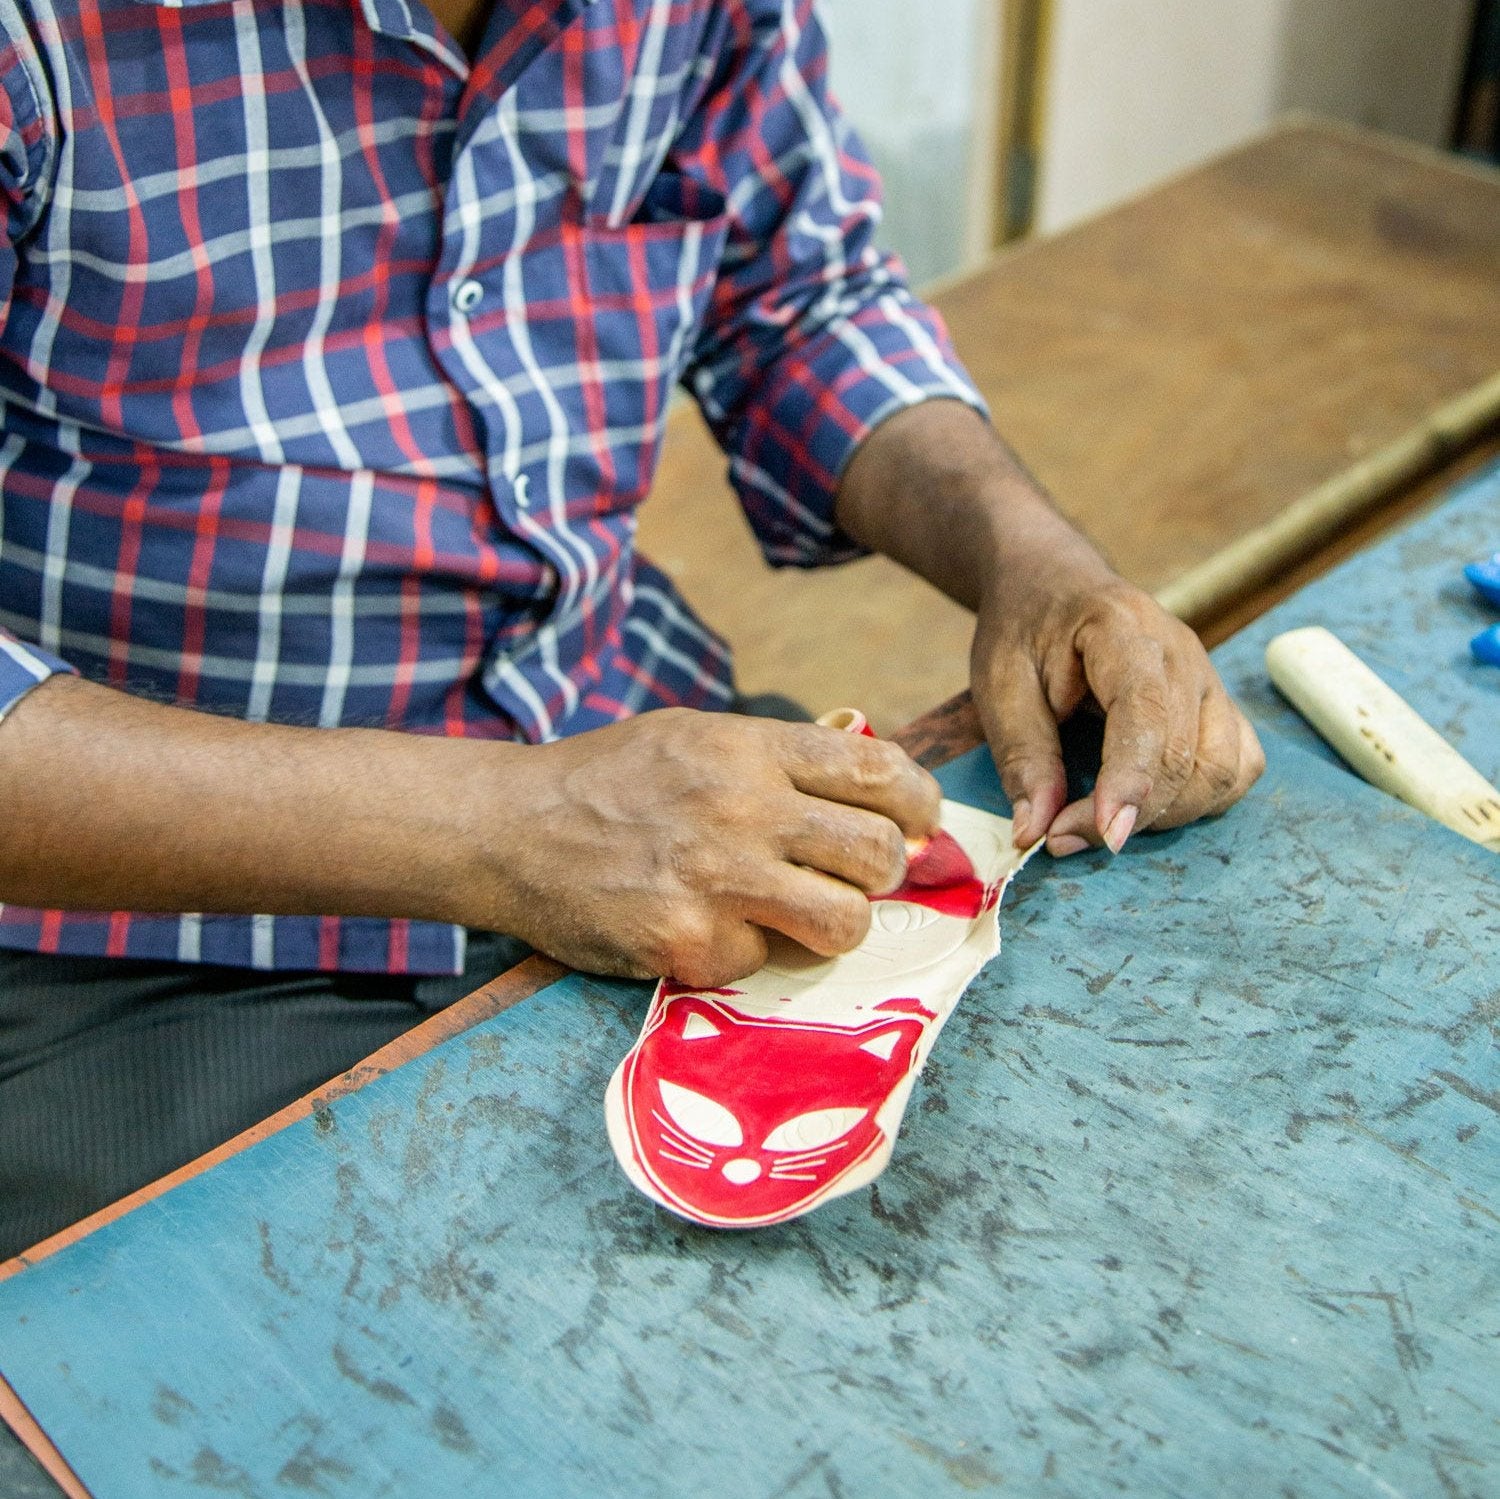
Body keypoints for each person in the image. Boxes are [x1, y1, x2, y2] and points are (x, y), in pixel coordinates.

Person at [0, 0, 1262, 1255]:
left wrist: (1031, 561)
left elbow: (798, 303)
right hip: (138, 920)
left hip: (628, 745)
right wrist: (503, 824)